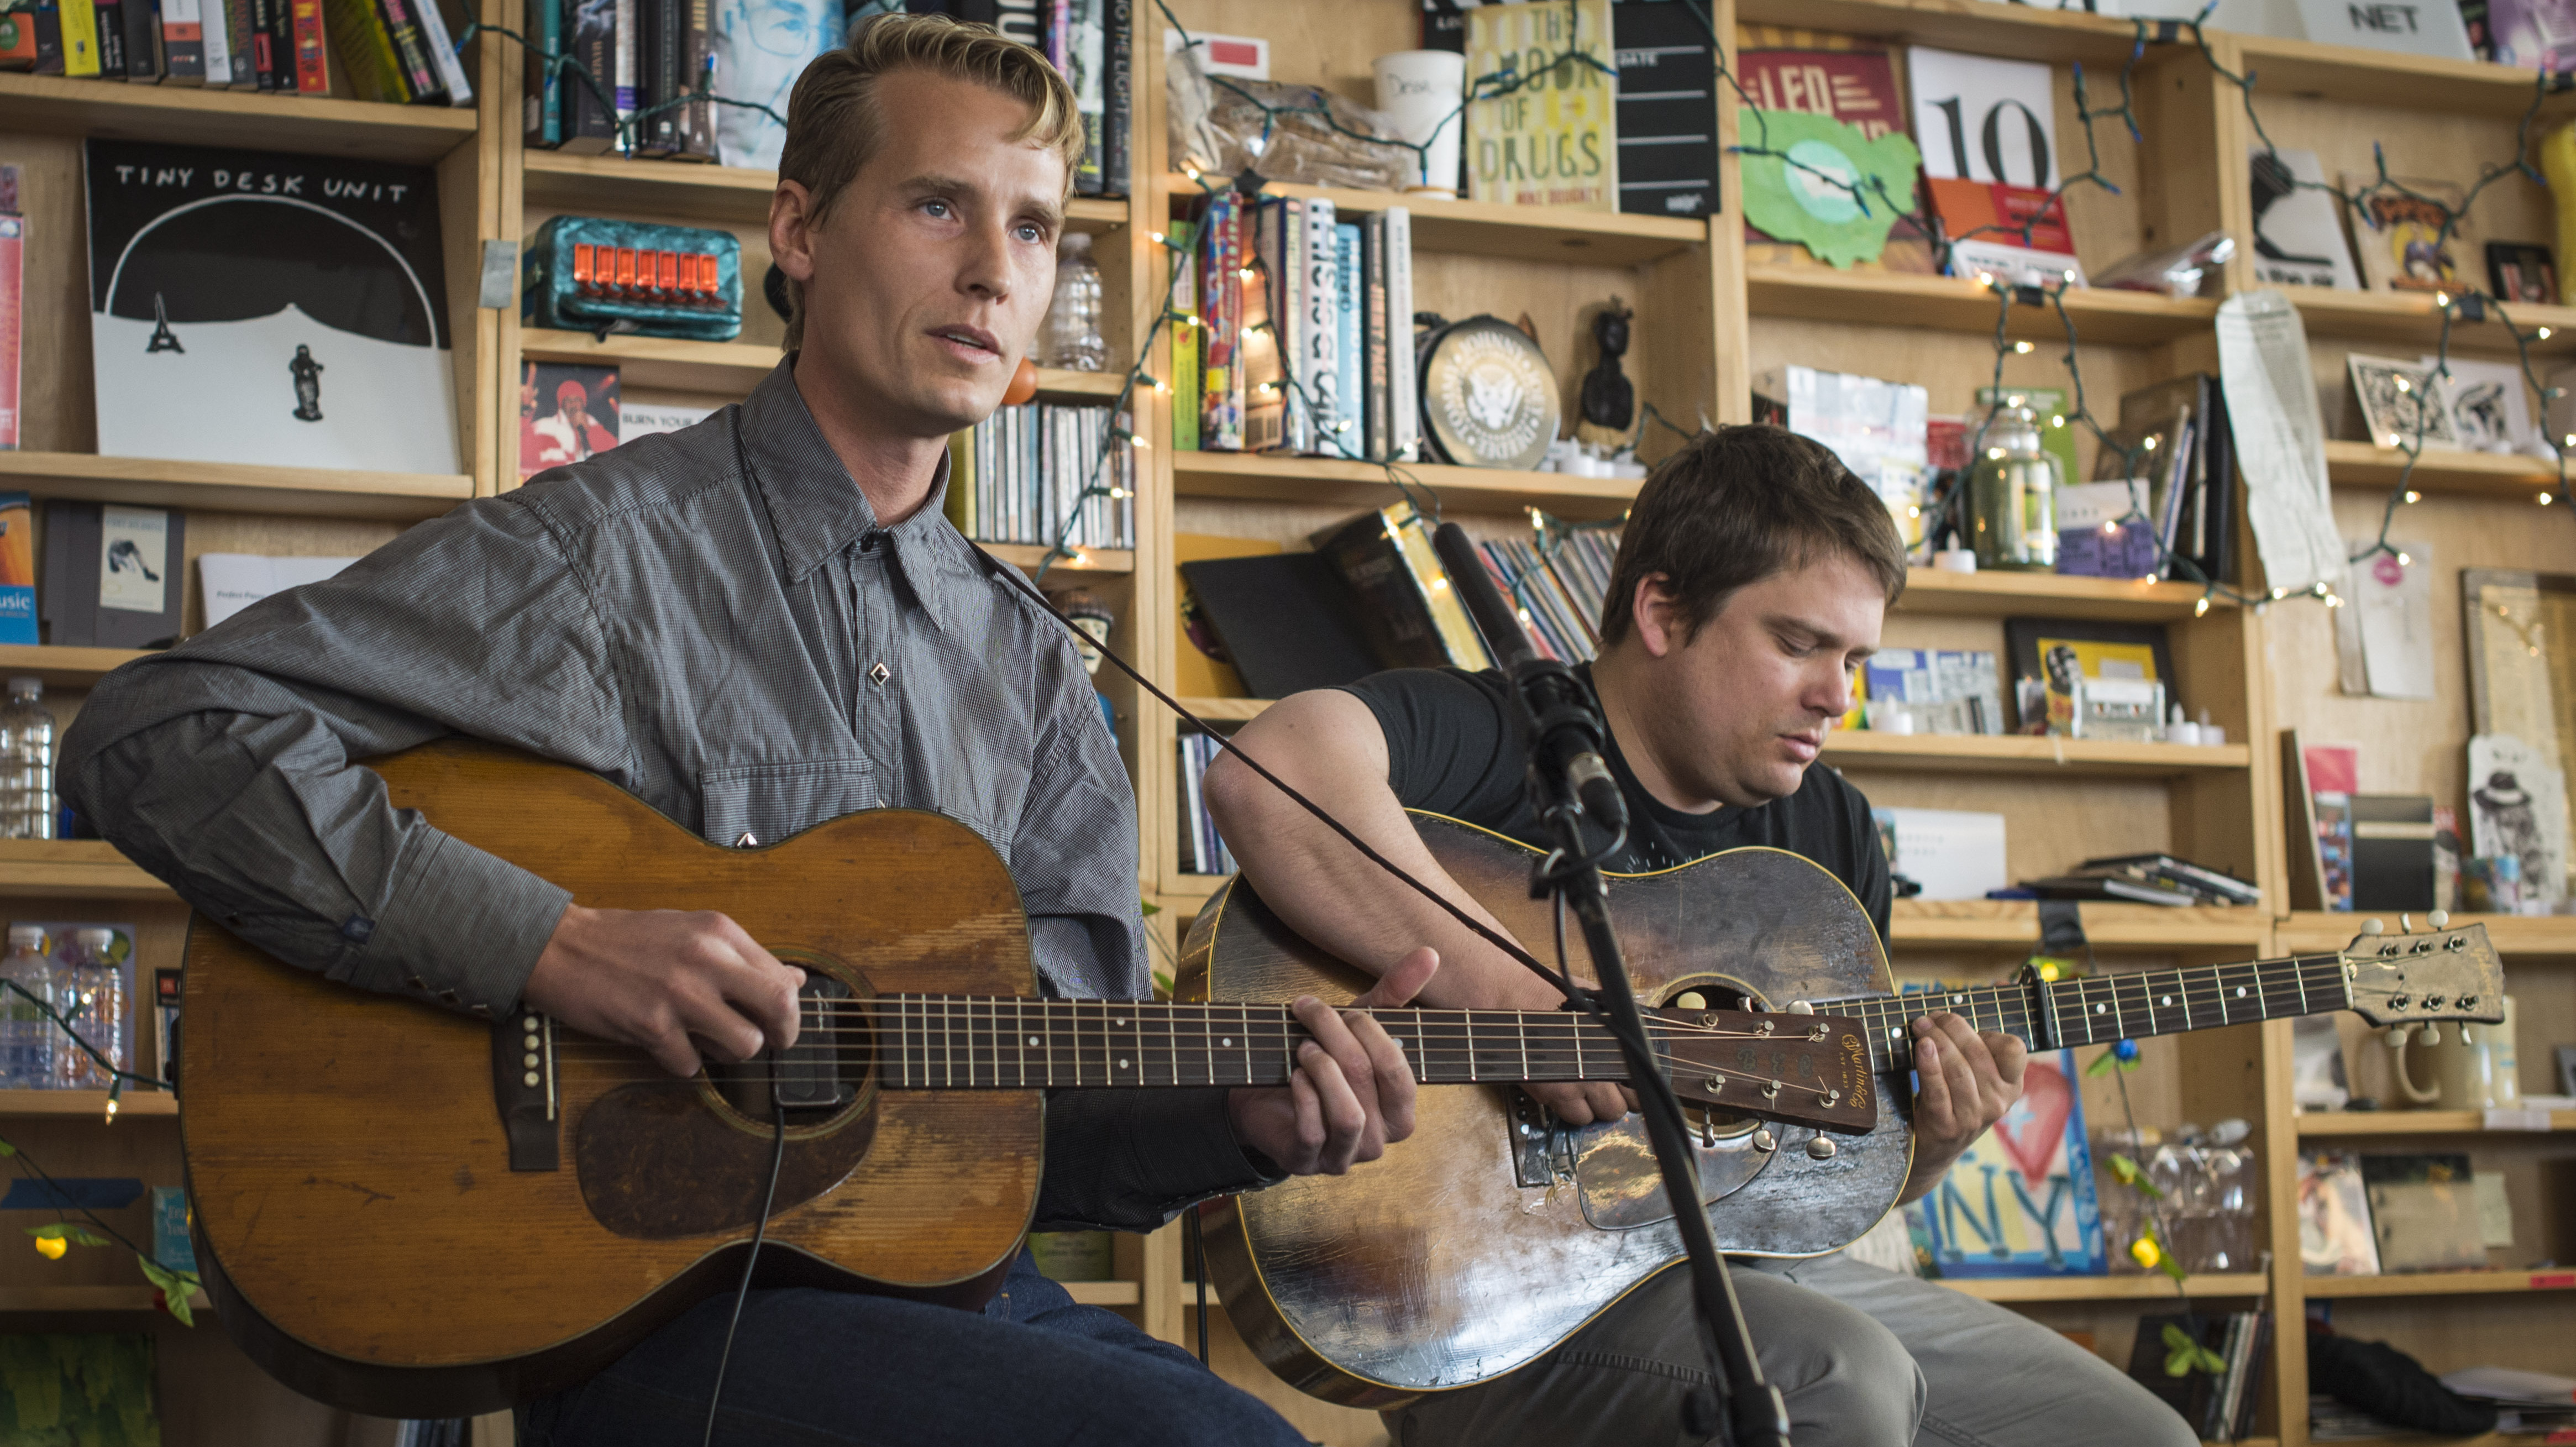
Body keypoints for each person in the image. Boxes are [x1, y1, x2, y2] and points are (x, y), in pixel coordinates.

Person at [61, 17, 1426, 1446]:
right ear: (798, 230)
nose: (990, 271)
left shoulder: (1037, 669)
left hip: (956, 1301)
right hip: (662, 1312)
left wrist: (1238, 1125)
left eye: (1032, 229)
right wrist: (547, 943)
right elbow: (158, 729)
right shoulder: (607, 556)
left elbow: (1033, 1116)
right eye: (935, 203)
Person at [1204, 424, 2201, 1447]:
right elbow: (1267, 772)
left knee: (2138, 1436)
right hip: (1488, 1300)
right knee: (1842, 1380)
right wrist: (1528, 1002)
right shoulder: (1507, 735)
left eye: (1855, 657)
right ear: (1662, 611)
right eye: (1798, 643)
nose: (1836, 696)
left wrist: (1932, 1143)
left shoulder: (1830, 830)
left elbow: (1804, 1172)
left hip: (1744, 1277)